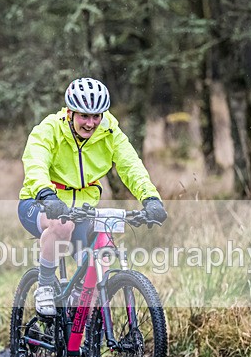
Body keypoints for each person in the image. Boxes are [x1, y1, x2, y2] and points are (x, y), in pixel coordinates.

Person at [18, 77, 167, 316]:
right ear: (70, 112)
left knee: (103, 251)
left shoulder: (110, 132)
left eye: (96, 116)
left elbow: (131, 166)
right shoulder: (50, 129)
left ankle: (80, 307)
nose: (90, 123)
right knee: (62, 226)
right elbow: (35, 162)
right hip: (40, 202)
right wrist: (46, 194)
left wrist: (151, 198)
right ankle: (45, 287)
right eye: (84, 116)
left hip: (84, 209)